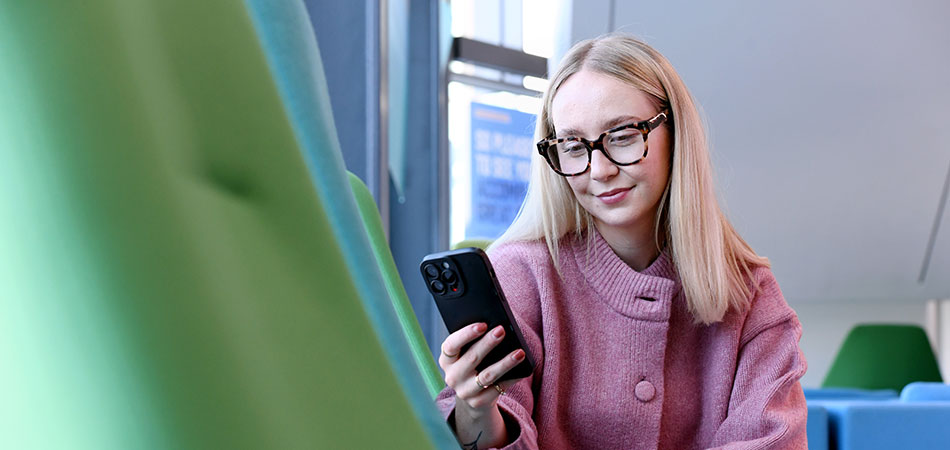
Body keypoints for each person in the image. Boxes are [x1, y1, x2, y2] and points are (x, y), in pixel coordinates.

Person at [435, 33, 808, 449]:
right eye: (573, 146)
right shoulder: (519, 274)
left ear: (675, 133)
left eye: (623, 136)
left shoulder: (751, 294)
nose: (599, 170)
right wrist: (476, 408)